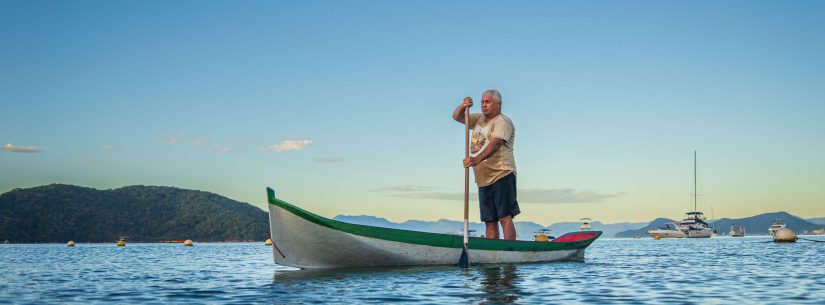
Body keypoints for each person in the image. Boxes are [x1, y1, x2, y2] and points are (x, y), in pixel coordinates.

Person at [452, 89, 519, 240]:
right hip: (483, 179)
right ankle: (493, 255)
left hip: (501, 174)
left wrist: (476, 159)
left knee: (504, 217)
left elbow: (495, 144)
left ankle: (509, 252)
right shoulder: (479, 119)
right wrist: (463, 105)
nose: (483, 105)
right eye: (482, 102)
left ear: (498, 104)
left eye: (487, 102)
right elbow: (457, 117)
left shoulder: (503, 122)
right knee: (489, 221)